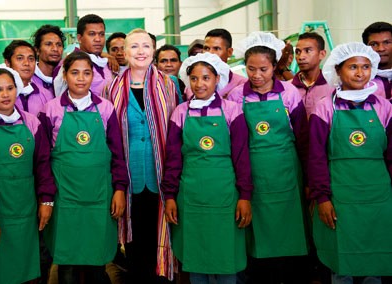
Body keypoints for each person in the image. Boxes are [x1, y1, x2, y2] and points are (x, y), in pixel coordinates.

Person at [162, 52, 253, 284]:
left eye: (205, 78)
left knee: (226, 257)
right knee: (196, 258)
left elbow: (242, 157)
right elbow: (173, 159)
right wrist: (170, 195)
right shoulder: (180, 112)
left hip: (225, 196)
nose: (199, 84)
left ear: (216, 79)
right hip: (190, 197)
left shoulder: (233, 111)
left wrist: (245, 196)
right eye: (194, 78)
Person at [39, 51, 128, 284]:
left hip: (99, 197)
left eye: (87, 73)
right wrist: (46, 198)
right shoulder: (50, 110)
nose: (81, 78)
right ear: (64, 76)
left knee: (96, 262)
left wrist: (119, 189)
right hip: (64, 198)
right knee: (67, 261)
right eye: (75, 73)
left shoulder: (106, 109)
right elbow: (42, 159)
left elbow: (118, 155)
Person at [228, 32, 309, 284]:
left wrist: (308, 180)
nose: (256, 75)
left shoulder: (289, 93)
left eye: (263, 69)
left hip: (286, 171)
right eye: (251, 69)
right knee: (257, 234)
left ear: (274, 66)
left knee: (288, 231)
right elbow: (234, 142)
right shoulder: (235, 97)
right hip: (252, 172)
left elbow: (303, 138)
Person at [309, 42, 392, 283]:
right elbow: (315, 158)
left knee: (375, 260)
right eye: (352, 67)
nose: (360, 73)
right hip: (340, 196)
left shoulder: (384, 108)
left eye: (366, 67)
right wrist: (322, 197)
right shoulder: (324, 108)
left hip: (379, 197)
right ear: (338, 70)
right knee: (341, 263)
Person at [0, 62, 55, 284]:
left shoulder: (31, 122)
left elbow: (43, 165)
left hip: (26, 210)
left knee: (27, 270)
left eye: (10, 88)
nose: (5, 94)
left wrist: (46, 200)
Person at [106, 28, 178, 284]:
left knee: (157, 234)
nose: (140, 52)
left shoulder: (170, 85)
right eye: (134, 46)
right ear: (124, 52)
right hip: (128, 177)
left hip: (161, 175)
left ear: (154, 51)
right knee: (134, 241)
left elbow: (177, 129)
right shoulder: (111, 88)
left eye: (145, 46)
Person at [54, 14, 116, 97]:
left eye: (101, 34)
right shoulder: (69, 64)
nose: (98, 39)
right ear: (79, 38)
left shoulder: (106, 62)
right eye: (92, 34)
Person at [184, 28, 246, 99]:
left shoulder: (242, 84)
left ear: (229, 52)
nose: (210, 53)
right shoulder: (192, 86)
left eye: (216, 49)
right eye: (206, 48)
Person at [3, 40, 51, 116]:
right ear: (8, 63)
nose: (26, 63)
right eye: (20, 58)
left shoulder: (47, 95)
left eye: (31, 59)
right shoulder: (2, 95)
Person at [293, 32, 334, 118]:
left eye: (308, 51)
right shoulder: (288, 88)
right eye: (297, 52)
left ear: (322, 54)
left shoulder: (332, 88)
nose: (301, 57)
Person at [32, 24, 65, 99]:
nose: (55, 49)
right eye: (48, 44)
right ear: (37, 50)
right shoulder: (28, 80)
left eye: (59, 45)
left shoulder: (67, 78)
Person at [362, 21, 392, 100]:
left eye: (387, 42)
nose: (381, 49)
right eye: (374, 44)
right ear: (365, 48)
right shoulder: (359, 79)